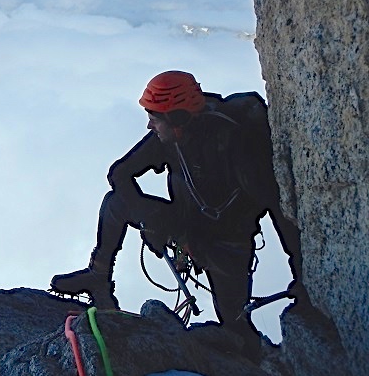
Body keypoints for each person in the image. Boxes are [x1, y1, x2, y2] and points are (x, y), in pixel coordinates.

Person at [50, 71, 309, 360]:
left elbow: (278, 210)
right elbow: (119, 174)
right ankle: (99, 275)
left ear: (178, 118)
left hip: (227, 243)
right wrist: (152, 217)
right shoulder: (169, 138)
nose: (150, 124)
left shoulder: (234, 146)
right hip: (186, 224)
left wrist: (303, 275)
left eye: (154, 117)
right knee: (116, 203)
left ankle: (253, 373)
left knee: (235, 328)